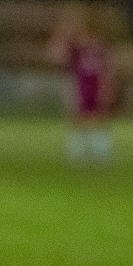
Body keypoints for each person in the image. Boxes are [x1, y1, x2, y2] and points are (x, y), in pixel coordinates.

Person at [51, 14, 118, 164]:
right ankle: (77, 154)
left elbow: (109, 71)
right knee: (78, 118)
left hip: (96, 86)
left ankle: (100, 154)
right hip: (80, 86)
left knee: (99, 118)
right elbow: (56, 56)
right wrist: (63, 33)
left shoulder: (101, 50)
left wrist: (108, 89)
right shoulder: (76, 50)